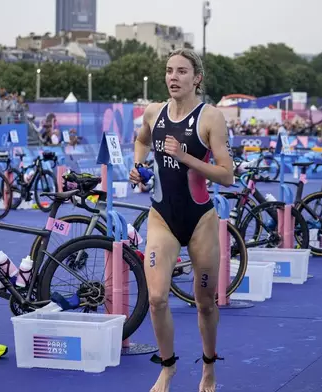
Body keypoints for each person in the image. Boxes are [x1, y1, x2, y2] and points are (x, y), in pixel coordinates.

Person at [128, 48, 234, 392]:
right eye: (169, 70)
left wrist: (185, 157)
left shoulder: (211, 118)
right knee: (157, 298)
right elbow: (142, 139)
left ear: (196, 78)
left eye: (182, 72)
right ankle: (168, 367)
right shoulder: (154, 112)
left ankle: (208, 368)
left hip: (200, 218)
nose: (173, 77)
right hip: (162, 217)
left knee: (205, 303)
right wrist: (139, 166)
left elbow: (227, 176)